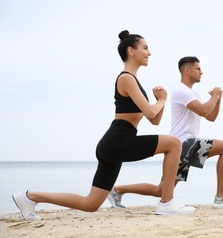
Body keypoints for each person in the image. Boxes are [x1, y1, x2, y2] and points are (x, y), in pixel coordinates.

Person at [12, 31, 196, 221]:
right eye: (145, 48)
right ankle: (167, 203)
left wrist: (160, 101)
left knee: (90, 204)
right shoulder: (126, 78)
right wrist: (163, 99)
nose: (149, 52)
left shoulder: (133, 80)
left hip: (113, 144)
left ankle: (28, 196)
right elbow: (150, 112)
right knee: (174, 143)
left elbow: (154, 120)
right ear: (131, 50)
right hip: (118, 140)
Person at [108, 56, 223, 208]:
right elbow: (203, 109)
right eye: (198, 69)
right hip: (184, 143)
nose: (202, 72)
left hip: (181, 147)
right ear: (187, 70)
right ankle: (221, 197)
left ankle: (117, 190)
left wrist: (217, 100)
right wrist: (216, 95)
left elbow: (210, 116)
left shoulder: (193, 94)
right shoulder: (181, 91)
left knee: (161, 190)